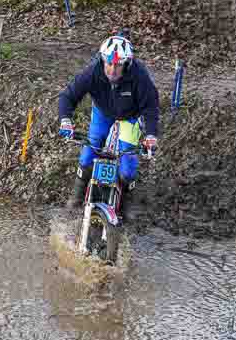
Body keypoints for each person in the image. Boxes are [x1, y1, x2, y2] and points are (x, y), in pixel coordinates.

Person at [58, 32, 160, 220]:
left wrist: (151, 135)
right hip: (102, 112)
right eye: (109, 64)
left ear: (126, 64)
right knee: (89, 153)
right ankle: (76, 196)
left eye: (118, 65)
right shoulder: (92, 72)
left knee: (128, 163)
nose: (112, 70)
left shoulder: (139, 76)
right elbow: (68, 96)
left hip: (131, 116)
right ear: (103, 60)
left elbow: (151, 107)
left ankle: (129, 201)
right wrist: (65, 120)